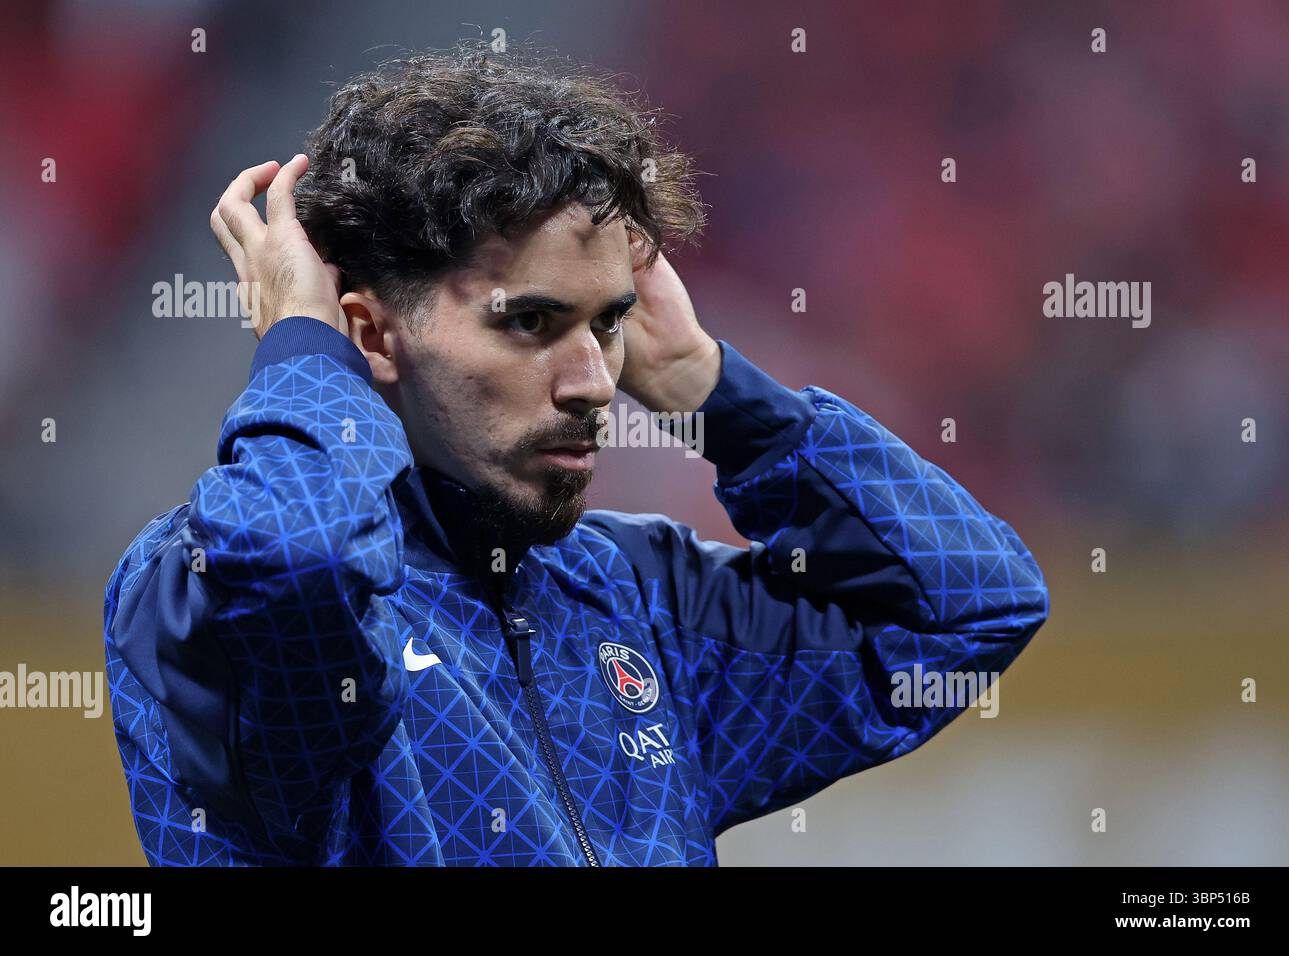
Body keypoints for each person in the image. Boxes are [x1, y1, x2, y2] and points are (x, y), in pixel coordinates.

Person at [104, 44, 1048, 866]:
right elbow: (296, 554)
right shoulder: (195, 589)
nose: (596, 381)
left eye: (609, 323)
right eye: (532, 322)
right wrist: (305, 352)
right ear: (372, 337)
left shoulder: (633, 595)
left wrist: (707, 388)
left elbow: (969, 607)